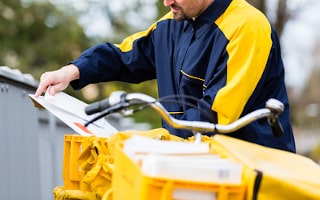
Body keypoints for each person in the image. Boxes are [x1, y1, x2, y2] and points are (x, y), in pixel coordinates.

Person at [35, 0, 296, 152]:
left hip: (255, 176)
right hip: (193, 168)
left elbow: (212, 119)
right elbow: (125, 56)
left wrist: (142, 142)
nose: (166, 2)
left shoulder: (248, 28)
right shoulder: (174, 22)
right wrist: (71, 71)